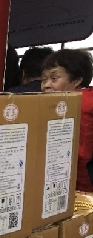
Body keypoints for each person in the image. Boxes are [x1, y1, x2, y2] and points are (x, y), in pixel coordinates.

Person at [40, 49, 93, 192]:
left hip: (81, 185)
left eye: (54, 78)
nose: (46, 85)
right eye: (44, 80)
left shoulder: (76, 105)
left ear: (77, 80)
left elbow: (80, 153)